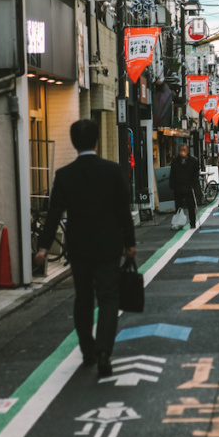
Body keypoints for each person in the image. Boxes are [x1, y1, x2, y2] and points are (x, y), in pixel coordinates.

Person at [35, 119, 136, 377]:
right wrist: (130, 242)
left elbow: (53, 213)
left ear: (73, 142)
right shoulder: (113, 171)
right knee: (108, 296)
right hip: (108, 244)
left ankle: (88, 350)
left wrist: (43, 246)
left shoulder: (65, 175)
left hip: (79, 247)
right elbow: (123, 210)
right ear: (96, 140)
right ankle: (104, 350)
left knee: (83, 297)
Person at [169, 143, 201, 229]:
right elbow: (172, 174)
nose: (182, 152)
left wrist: (193, 184)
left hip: (189, 186)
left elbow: (196, 174)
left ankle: (192, 223)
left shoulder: (193, 161)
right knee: (178, 206)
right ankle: (178, 223)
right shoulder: (175, 161)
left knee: (191, 206)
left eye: (184, 150)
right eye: (181, 150)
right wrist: (172, 185)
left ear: (187, 151)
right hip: (178, 186)